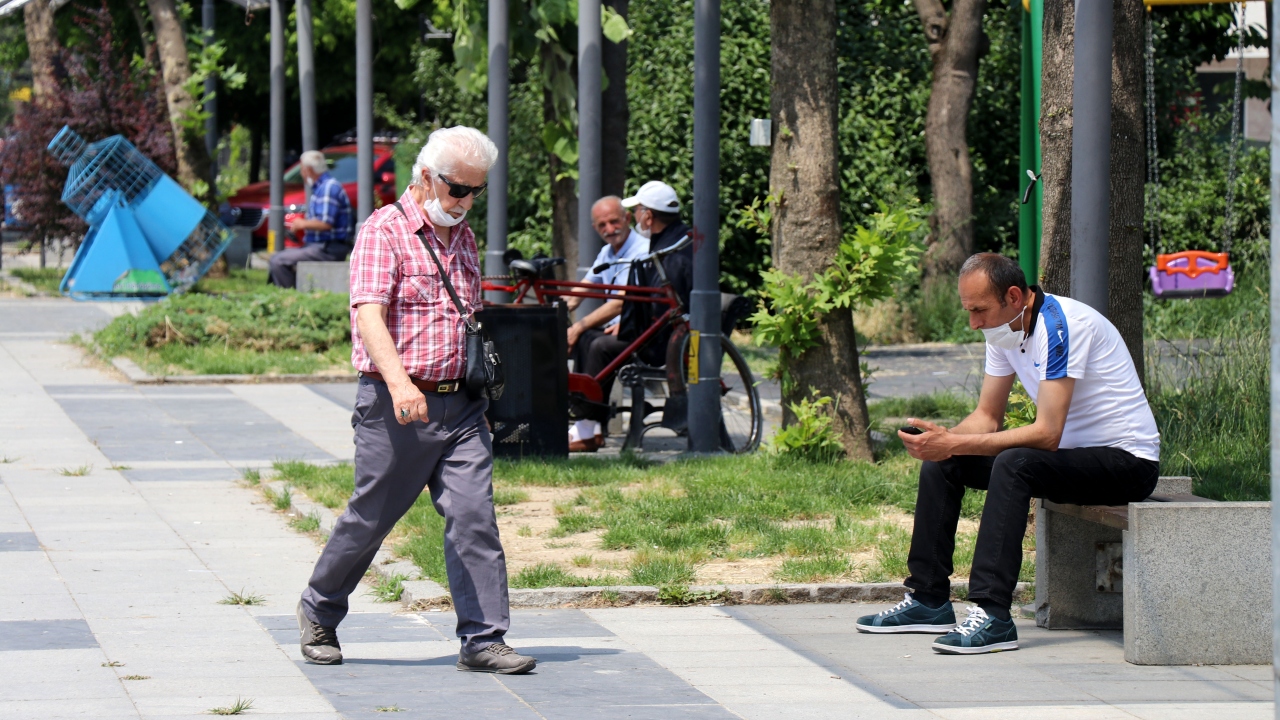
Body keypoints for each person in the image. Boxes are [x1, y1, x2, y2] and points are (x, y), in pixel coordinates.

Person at [296, 126, 536, 674]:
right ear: (425, 177)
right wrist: (402, 384)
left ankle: (483, 638)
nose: (466, 201)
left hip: (461, 407)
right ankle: (319, 610)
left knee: (474, 516)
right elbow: (368, 314)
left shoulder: (464, 236)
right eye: (458, 189)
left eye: (476, 191)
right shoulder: (386, 230)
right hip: (396, 403)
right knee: (370, 519)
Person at [856, 253, 1160, 655]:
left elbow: (1047, 434)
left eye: (980, 310)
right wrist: (941, 441)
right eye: (969, 311)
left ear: (1015, 296)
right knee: (943, 463)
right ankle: (928, 600)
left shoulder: (1062, 325)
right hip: (1072, 459)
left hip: (1126, 464)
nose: (974, 323)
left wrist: (955, 442)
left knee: (1015, 463)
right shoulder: (1005, 330)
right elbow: (986, 417)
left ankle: (993, 614)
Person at [564, 196, 649, 452]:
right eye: (603, 225)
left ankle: (587, 427)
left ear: (627, 218)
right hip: (623, 326)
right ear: (595, 228)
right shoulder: (608, 251)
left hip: (643, 328)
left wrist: (577, 326)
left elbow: (621, 302)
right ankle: (591, 427)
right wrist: (558, 310)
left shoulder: (640, 250)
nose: (609, 229)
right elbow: (587, 285)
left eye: (614, 221)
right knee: (586, 338)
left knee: (598, 344)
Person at [617, 181, 692, 366]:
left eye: (636, 211)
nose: (634, 216)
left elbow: (660, 308)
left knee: (597, 346)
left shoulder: (667, 254)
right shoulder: (682, 240)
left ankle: (585, 396)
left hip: (664, 343)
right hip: (679, 335)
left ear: (648, 216)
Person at [268, 150, 354, 288]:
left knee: (279, 261)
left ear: (308, 170)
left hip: (327, 249)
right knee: (278, 258)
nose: (302, 174)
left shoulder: (328, 188)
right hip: (321, 246)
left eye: (302, 169)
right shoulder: (322, 188)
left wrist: (302, 223)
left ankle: (287, 297)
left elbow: (325, 223)